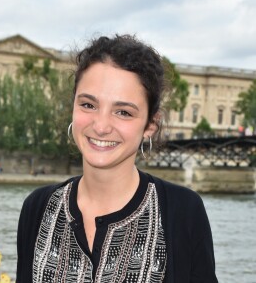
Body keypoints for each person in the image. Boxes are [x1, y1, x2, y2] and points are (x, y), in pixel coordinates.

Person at [16, 35, 218, 283]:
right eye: (88, 105)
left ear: (150, 125)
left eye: (123, 112)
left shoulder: (183, 211)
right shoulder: (37, 208)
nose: (101, 126)